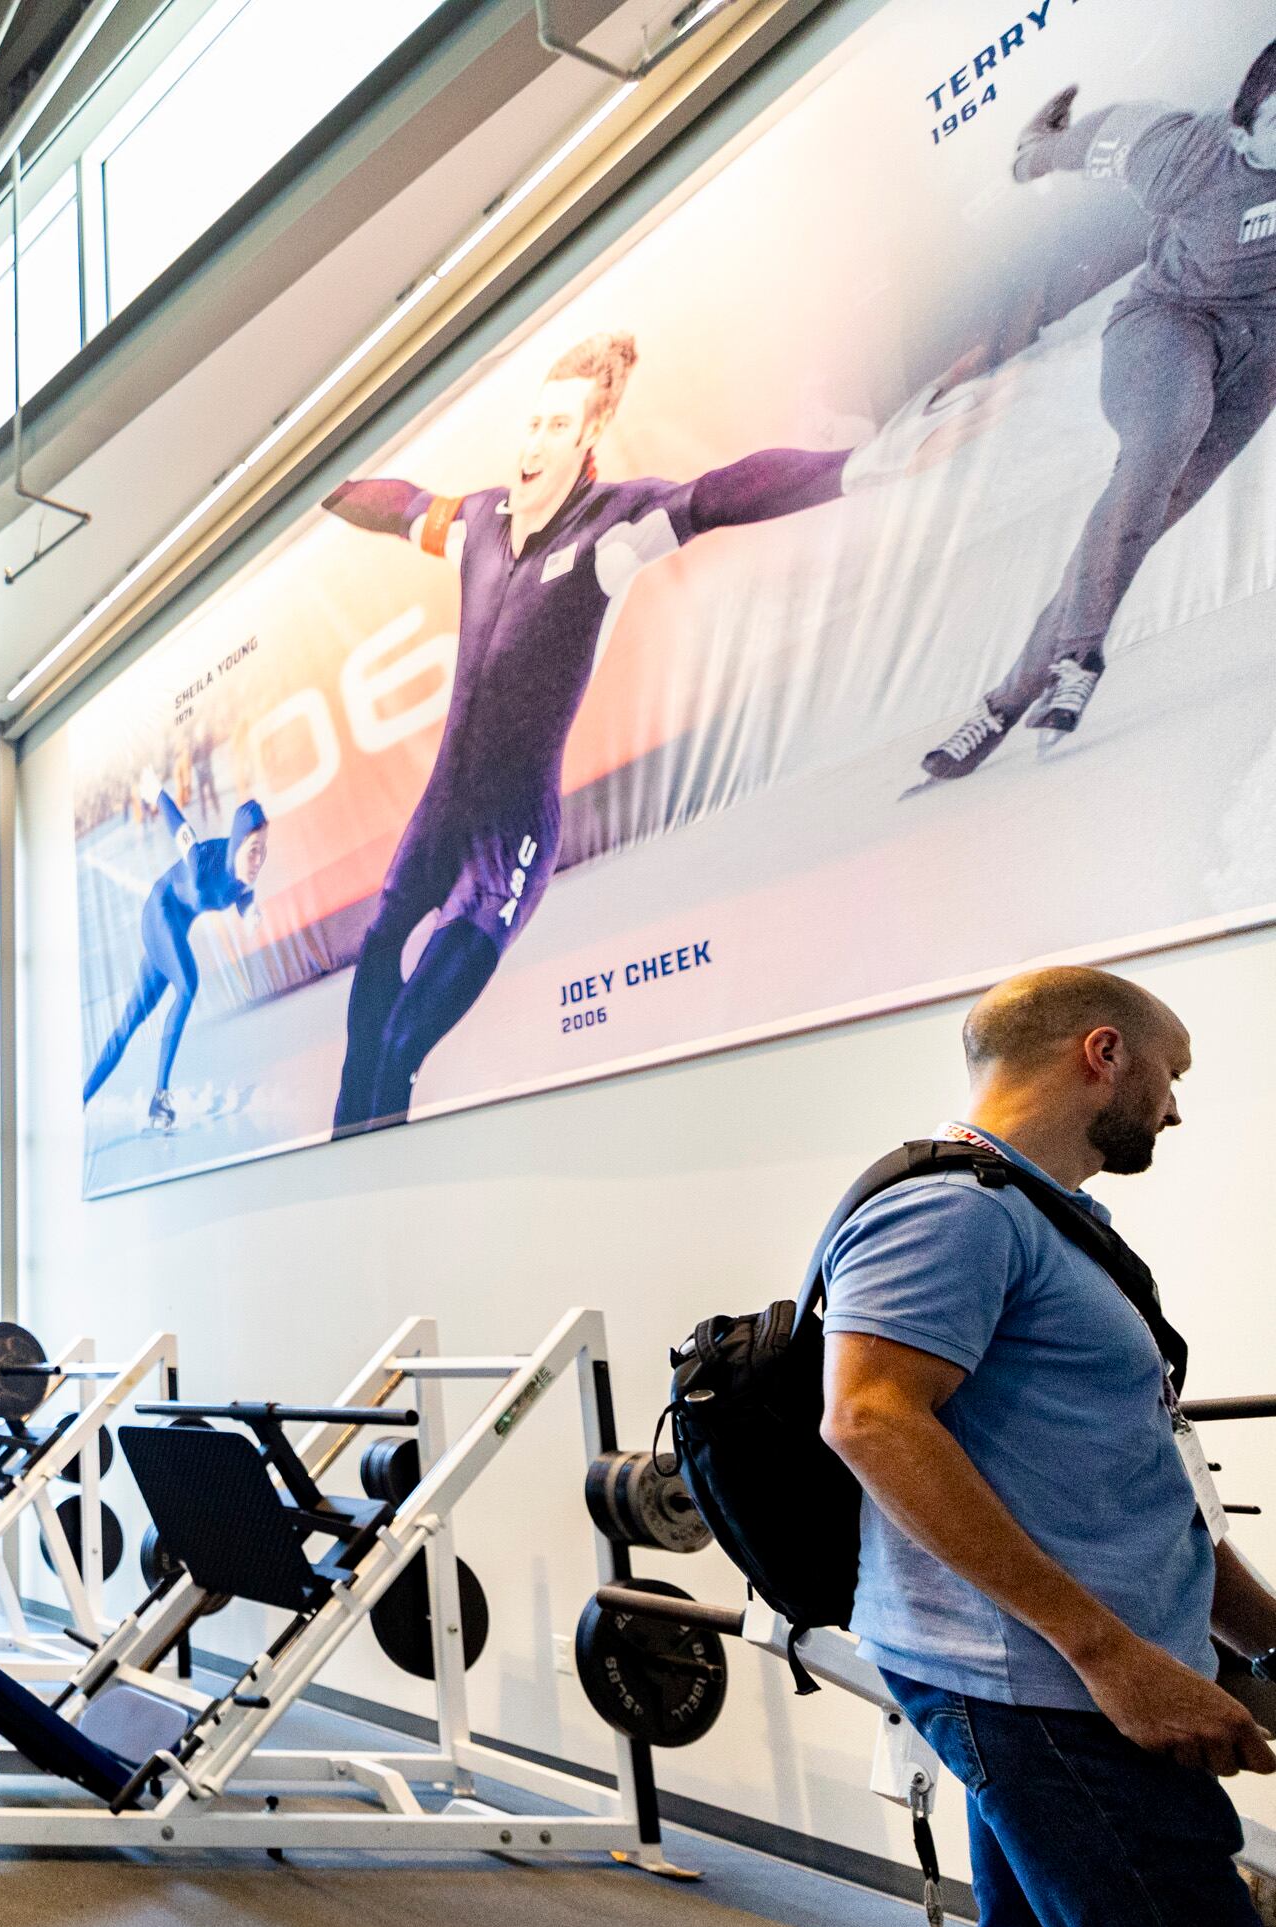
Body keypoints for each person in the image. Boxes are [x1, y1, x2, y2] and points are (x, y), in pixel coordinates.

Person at [322, 333, 981, 1134]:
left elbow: (717, 495)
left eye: (558, 427)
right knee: (361, 1042)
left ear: (590, 436)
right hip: (435, 820)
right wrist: (319, 488)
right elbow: (399, 506)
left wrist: (856, 467)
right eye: (532, 423)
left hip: (508, 843)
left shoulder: (613, 530)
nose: (534, 444)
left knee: (397, 1050)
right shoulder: (480, 521)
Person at [818, 965, 1276, 1927]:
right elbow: (870, 1417)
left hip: (1066, 1682)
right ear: (1104, 1053)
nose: (1176, 1105)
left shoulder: (1047, 1217)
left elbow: (1126, 1473)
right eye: (1170, 1071)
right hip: (1054, 1692)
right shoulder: (951, 1211)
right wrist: (1115, 1657)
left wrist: (1255, 1627)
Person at [923, 42, 1276, 780]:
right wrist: (1031, 153)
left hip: (1261, 355)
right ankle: (1081, 651)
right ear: (1244, 130)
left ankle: (1000, 706)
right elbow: (1089, 142)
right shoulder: (1185, 153)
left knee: (1136, 525)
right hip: (1170, 323)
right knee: (1159, 445)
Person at [79, 791, 268, 1132]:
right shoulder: (203, 861)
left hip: (173, 931)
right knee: (188, 984)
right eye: (253, 851)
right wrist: (158, 793)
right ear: (238, 845)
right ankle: (160, 1096)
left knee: (129, 1022)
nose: (259, 861)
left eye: (263, 851)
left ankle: (79, 1100)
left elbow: (243, 897)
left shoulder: (244, 880)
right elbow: (181, 828)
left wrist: (250, 913)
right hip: (159, 914)